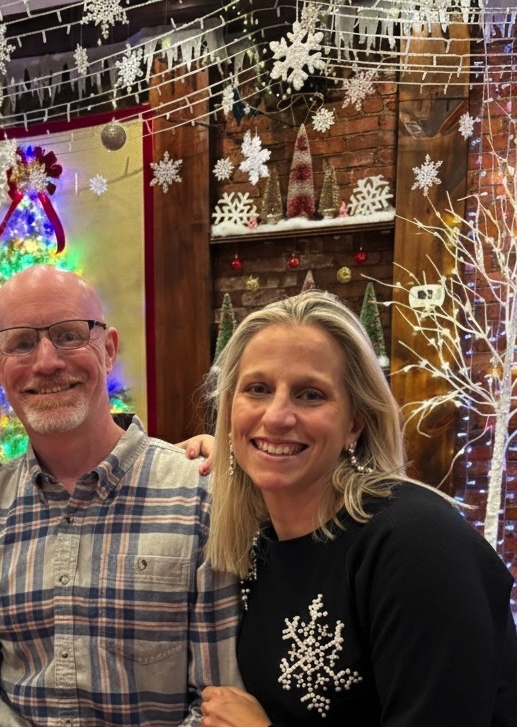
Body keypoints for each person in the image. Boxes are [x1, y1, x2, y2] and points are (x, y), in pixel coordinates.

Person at [0, 265, 242, 726]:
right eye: (21, 342)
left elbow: (220, 705)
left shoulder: (199, 497)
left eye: (69, 335)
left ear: (108, 349)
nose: (47, 362)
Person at [198, 290, 517, 727]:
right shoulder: (260, 546)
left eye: (310, 395)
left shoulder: (416, 543)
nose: (275, 416)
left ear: (355, 423)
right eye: (258, 389)